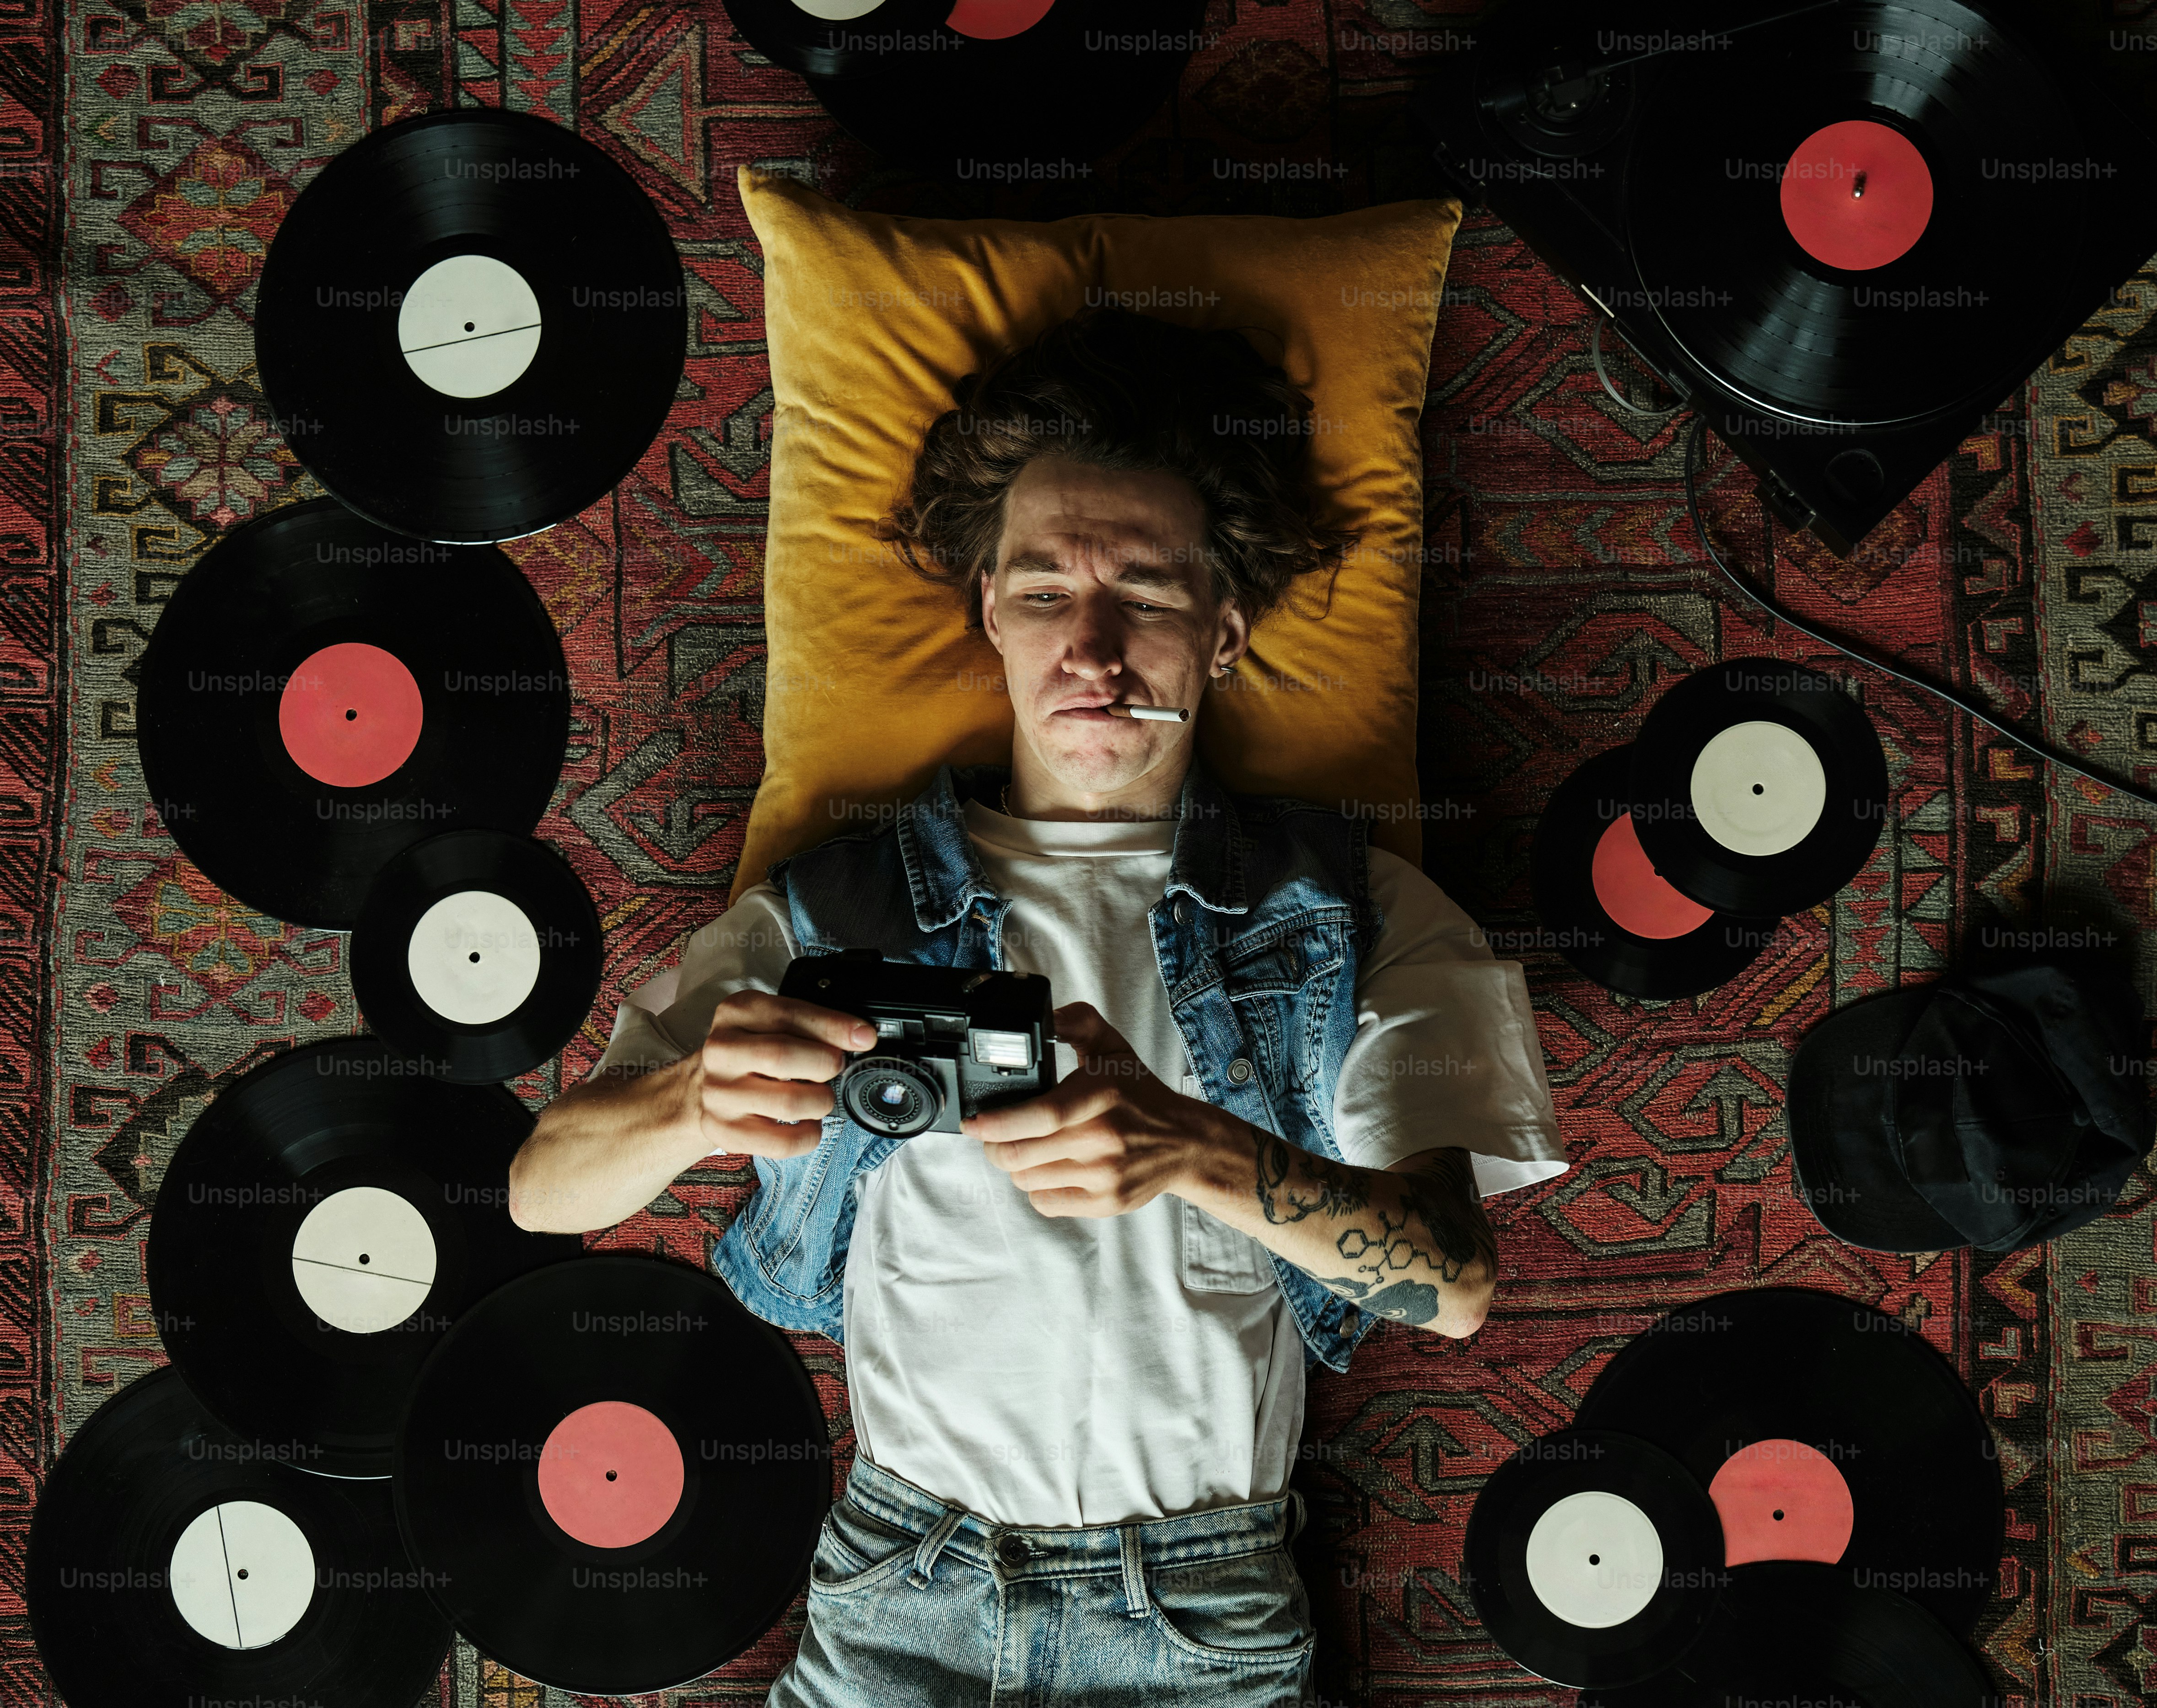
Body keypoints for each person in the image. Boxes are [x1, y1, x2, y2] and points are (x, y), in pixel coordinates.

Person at [506, 307, 1565, 1706]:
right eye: (1049, 591)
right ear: (989, 610)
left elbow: (1453, 1285)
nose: (1097, 645)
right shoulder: (834, 909)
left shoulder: (1353, 910)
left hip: (1204, 1609)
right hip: (903, 1583)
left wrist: (1193, 1150)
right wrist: (692, 1098)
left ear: (1226, 629)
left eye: (1150, 590)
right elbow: (538, 1189)